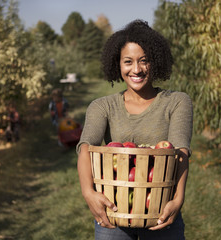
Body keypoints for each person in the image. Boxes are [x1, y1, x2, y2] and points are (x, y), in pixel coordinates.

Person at [76, 19, 193, 240]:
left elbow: (181, 152)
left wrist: (178, 200)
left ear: (155, 62)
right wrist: (88, 193)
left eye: (144, 61)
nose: (136, 69)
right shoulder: (103, 106)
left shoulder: (177, 102)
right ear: (117, 64)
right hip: (114, 209)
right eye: (128, 61)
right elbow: (85, 147)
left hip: (161, 208)